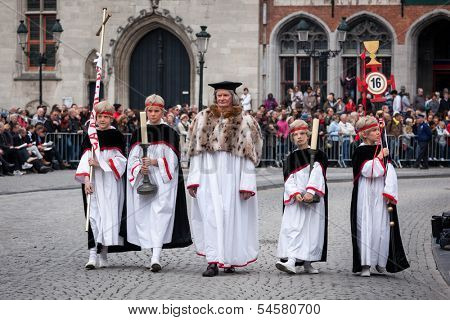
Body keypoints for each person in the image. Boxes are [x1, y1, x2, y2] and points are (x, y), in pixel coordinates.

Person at [187, 81, 263, 277]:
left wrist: (247, 183)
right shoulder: (202, 118)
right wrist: (194, 178)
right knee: (210, 215)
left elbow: (249, 154)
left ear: (232, 97)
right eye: (219, 95)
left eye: (225, 95)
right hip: (208, 174)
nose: (222, 99)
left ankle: (229, 259)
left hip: (234, 174)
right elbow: (196, 152)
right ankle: (213, 260)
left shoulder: (245, 120)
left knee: (231, 216)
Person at [127, 94, 192, 272]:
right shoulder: (138, 132)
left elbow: (173, 162)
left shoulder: (169, 132)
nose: (153, 114)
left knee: (160, 213)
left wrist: (155, 162)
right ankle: (150, 249)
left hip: (164, 182)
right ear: (145, 111)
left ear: (162, 112)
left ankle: (156, 255)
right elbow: (131, 159)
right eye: (150, 111)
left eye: (156, 111)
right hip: (143, 178)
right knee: (144, 215)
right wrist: (140, 168)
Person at [75, 101, 139, 269]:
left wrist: (101, 163)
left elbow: (121, 161)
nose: (102, 120)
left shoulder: (115, 135)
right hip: (94, 181)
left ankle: (104, 252)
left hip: (110, 181)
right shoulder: (90, 135)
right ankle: (92, 255)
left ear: (111, 118)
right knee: (94, 217)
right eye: (100, 116)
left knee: (109, 216)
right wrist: (86, 181)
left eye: (106, 117)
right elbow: (85, 159)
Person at [350, 116, 409, 277]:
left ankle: (380, 261)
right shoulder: (360, 151)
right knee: (366, 225)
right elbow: (368, 172)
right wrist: (381, 157)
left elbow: (389, 172)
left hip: (381, 193)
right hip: (366, 193)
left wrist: (390, 189)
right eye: (374, 131)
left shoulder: (382, 147)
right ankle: (365, 264)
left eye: (378, 130)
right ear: (364, 134)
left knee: (381, 227)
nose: (378, 133)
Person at [275, 120, 328, 274]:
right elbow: (288, 179)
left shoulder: (319, 155)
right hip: (296, 201)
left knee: (312, 230)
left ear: (308, 135)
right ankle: (291, 260)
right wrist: (295, 193)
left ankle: (308, 262)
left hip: (312, 198)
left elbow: (318, 174)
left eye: (302, 134)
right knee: (294, 228)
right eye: (295, 135)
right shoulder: (290, 158)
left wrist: (311, 192)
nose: (299, 137)